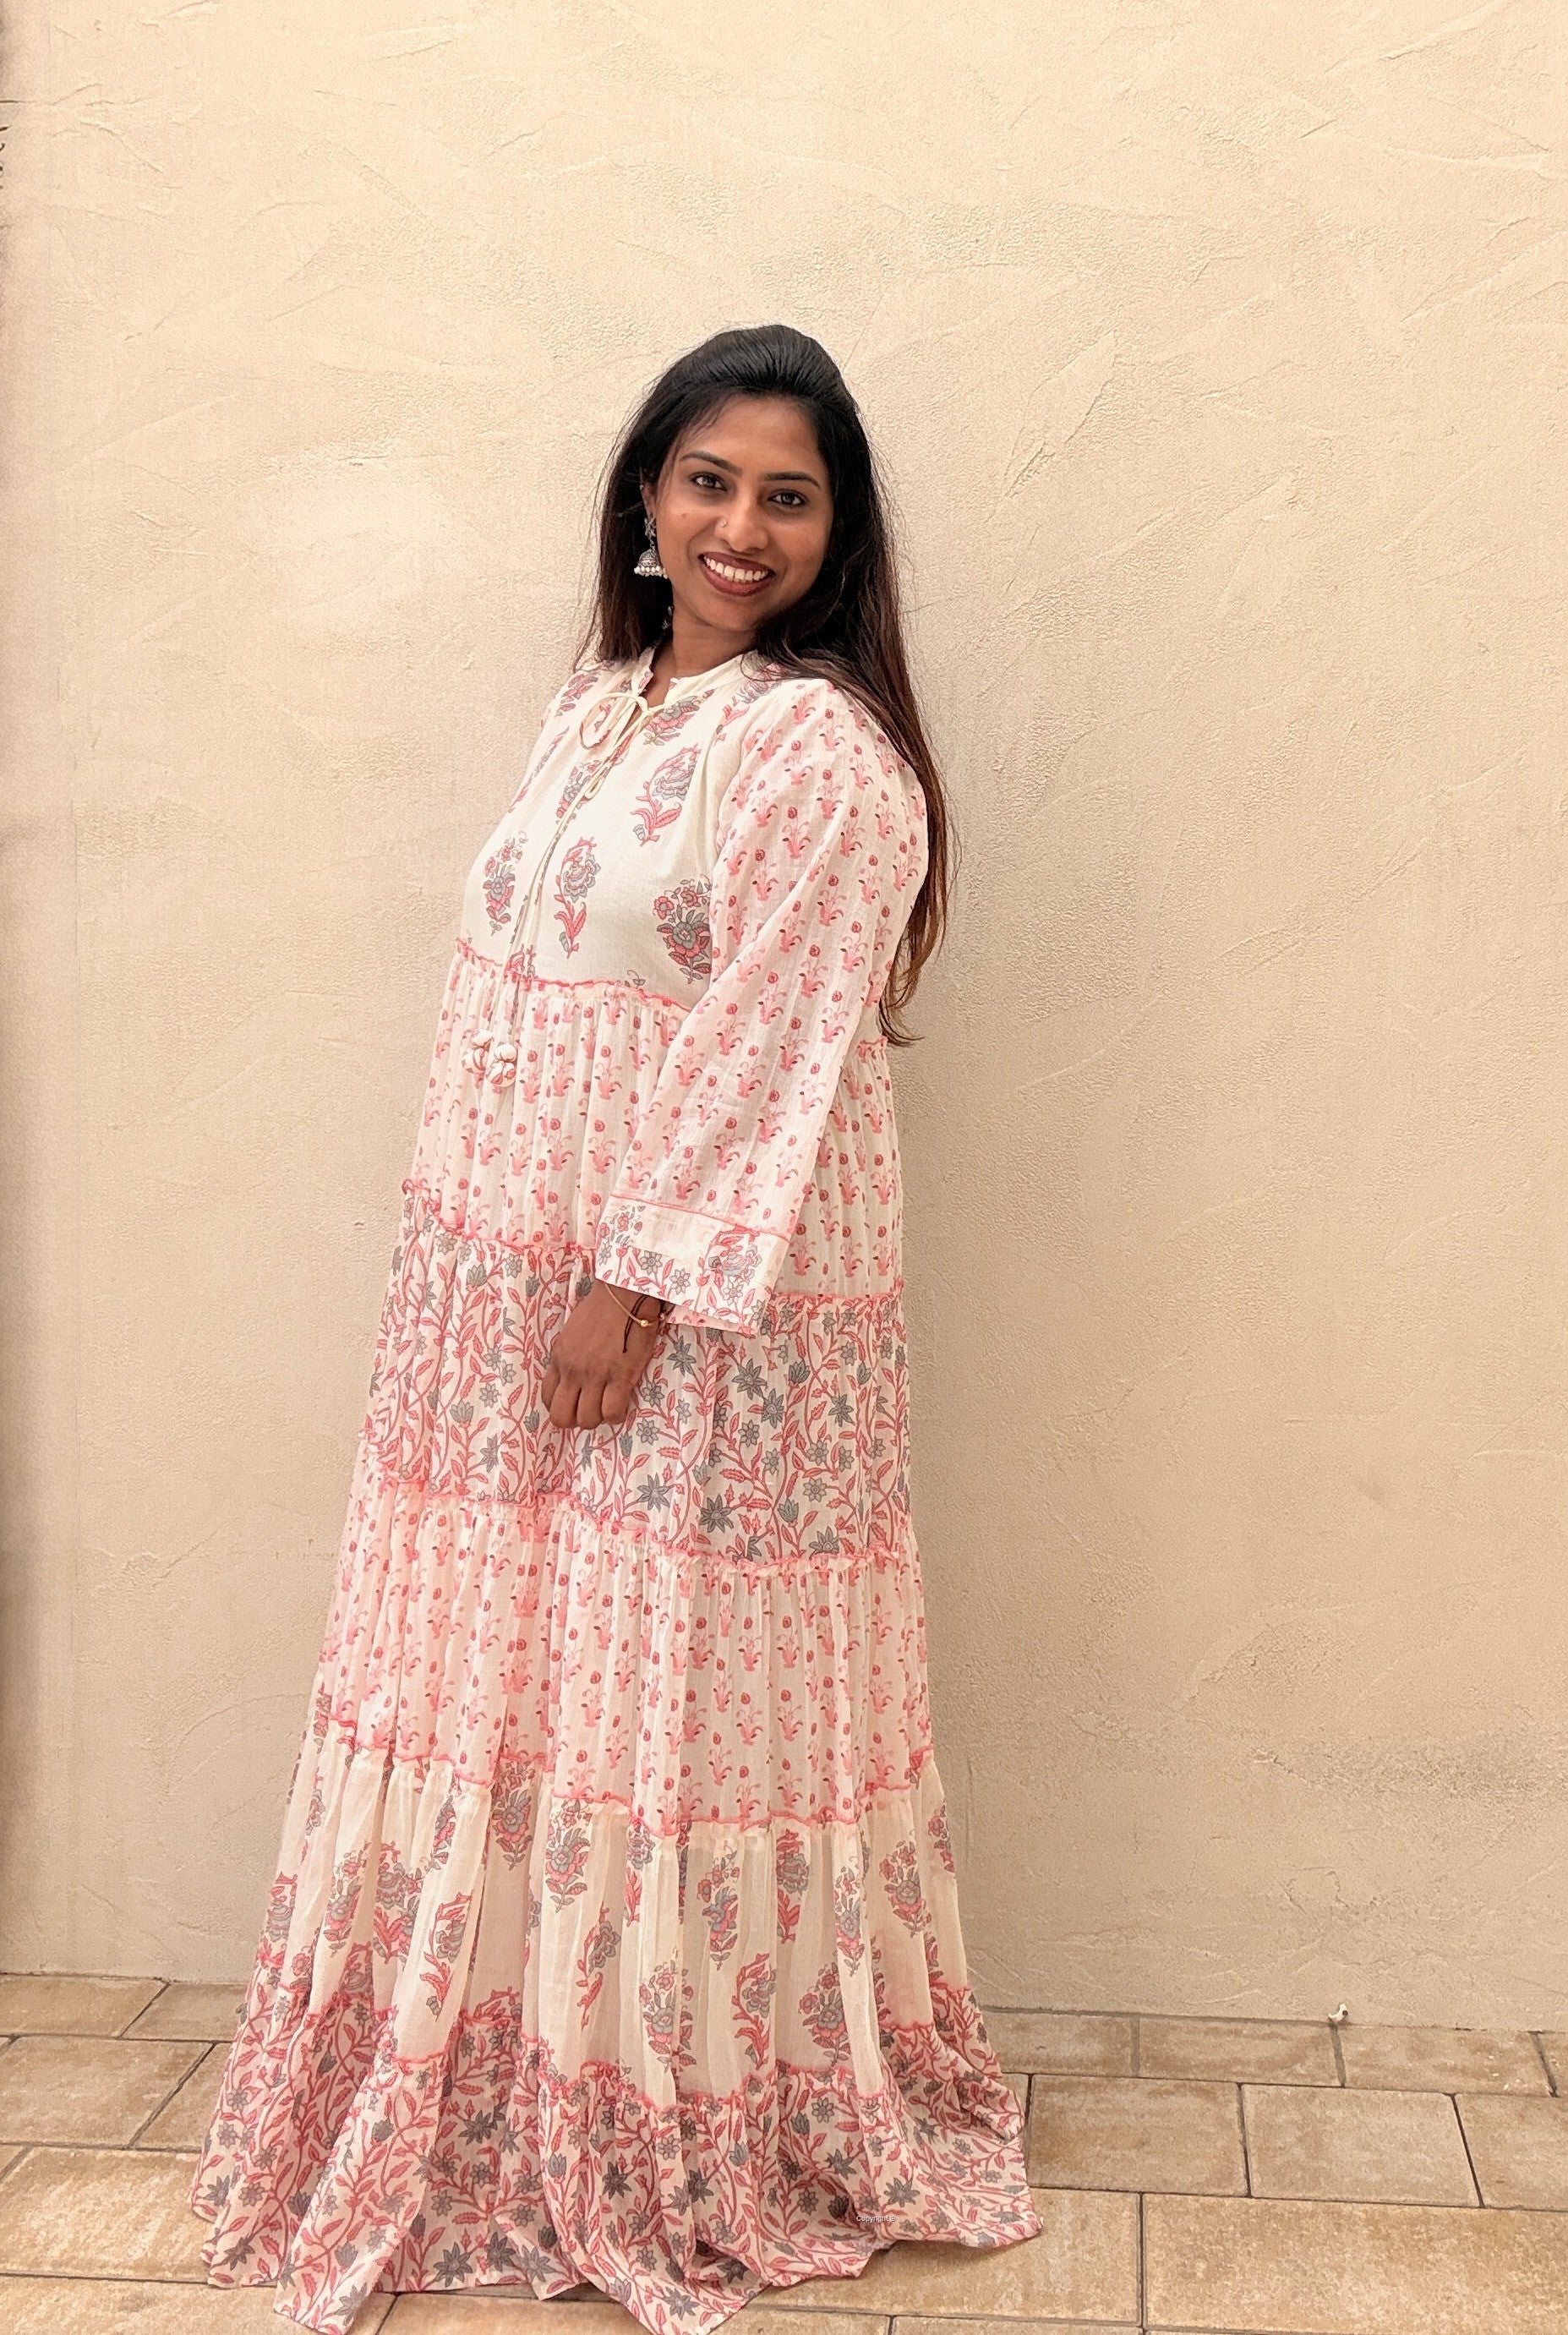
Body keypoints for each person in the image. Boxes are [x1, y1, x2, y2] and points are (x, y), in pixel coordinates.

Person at [190, 323, 1040, 2334]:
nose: (738, 523)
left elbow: (769, 1050)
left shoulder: (820, 755)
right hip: (499, 1286)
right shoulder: (601, 705)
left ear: (836, 540)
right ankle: (490, 2073)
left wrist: (631, 1290)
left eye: (786, 494)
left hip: (684, 1316)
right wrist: (507, 1279)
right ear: (646, 501)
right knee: (513, 1682)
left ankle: (677, 2110)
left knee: (663, 1698)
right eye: (708, 480)